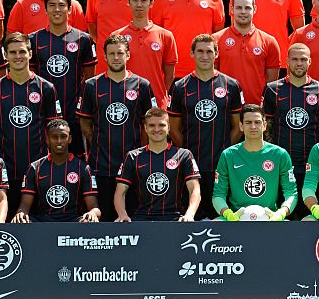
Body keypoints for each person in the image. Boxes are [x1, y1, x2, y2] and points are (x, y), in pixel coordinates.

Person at [76, 34, 156, 221]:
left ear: (128, 55)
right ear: (104, 56)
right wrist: (96, 141)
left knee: (133, 219)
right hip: (101, 165)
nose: (116, 57)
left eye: (120, 53)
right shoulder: (91, 85)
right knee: (104, 217)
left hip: (134, 166)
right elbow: (84, 122)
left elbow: (149, 124)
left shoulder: (142, 85)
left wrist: (140, 152)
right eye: (111, 54)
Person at [0, 33, 62, 217]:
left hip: (39, 167)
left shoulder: (46, 88)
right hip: (7, 166)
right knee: (9, 218)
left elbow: (53, 127)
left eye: (22, 52)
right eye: (13, 52)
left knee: (39, 220)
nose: (18, 56)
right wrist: (2, 147)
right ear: (5, 56)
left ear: (30, 54)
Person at [167, 33, 244, 219]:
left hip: (222, 164)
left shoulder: (231, 85)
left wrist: (225, 151)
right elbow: (174, 128)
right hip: (191, 165)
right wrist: (188, 154)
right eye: (200, 51)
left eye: (209, 51)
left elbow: (237, 126)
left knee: (222, 215)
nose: (205, 56)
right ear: (192, 54)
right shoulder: (179, 87)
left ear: (216, 54)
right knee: (193, 215)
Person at [262, 44, 319, 216]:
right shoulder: (273, 89)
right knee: (281, 215)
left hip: (311, 168)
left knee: (309, 215)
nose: (299, 63)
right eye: (294, 59)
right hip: (281, 167)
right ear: (287, 62)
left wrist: (316, 159)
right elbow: (267, 129)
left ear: (310, 61)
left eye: (303, 59)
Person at [28, 0, 96, 158]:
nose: (57, 9)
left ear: (70, 9)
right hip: (43, 110)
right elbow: (30, 78)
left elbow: (90, 79)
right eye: (52, 5)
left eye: (61, 5)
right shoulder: (33, 40)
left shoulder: (83, 39)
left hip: (74, 110)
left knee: (77, 159)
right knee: (43, 159)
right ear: (45, 9)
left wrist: (84, 107)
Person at [213, 104, 298, 221]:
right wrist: (228, 214)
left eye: (257, 122)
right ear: (241, 126)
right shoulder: (228, 155)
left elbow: (291, 192)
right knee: (215, 224)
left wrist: (281, 213)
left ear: (264, 125)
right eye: (248, 123)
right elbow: (218, 195)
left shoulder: (280, 154)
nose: (253, 126)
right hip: (236, 217)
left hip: (270, 217)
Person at [115, 108, 201, 222]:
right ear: (145, 128)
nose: (156, 129)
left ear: (168, 127)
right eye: (151, 125)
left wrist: (189, 215)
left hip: (175, 218)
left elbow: (194, 189)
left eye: (161, 125)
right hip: (141, 218)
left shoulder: (184, 155)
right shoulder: (132, 157)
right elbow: (120, 192)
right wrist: (122, 215)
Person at [13, 119, 100, 223]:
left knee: (88, 222)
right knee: (21, 221)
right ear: (47, 140)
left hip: (73, 221)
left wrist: (92, 213)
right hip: (43, 221)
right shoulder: (34, 168)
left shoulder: (84, 169)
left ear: (70, 139)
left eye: (63, 137)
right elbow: (25, 205)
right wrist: (21, 214)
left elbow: (94, 207)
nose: (59, 141)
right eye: (54, 137)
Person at [112, 0, 177, 108]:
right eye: (135, 0)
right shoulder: (117, 36)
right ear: (128, 2)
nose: (139, 4)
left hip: (156, 102)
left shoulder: (165, 35)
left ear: (151, 3)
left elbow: (170, 74)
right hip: (124, 99)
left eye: (143, 0)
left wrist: (159, 92)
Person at [214, 0, 280, 104]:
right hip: (224, 106)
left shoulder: (269, 42)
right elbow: (211, 77)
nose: (243, 12)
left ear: (254, 9)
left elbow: (272, 83)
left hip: (256, 109)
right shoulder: (216, 40)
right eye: (239, 7)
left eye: (247, 8)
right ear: (231, 9)